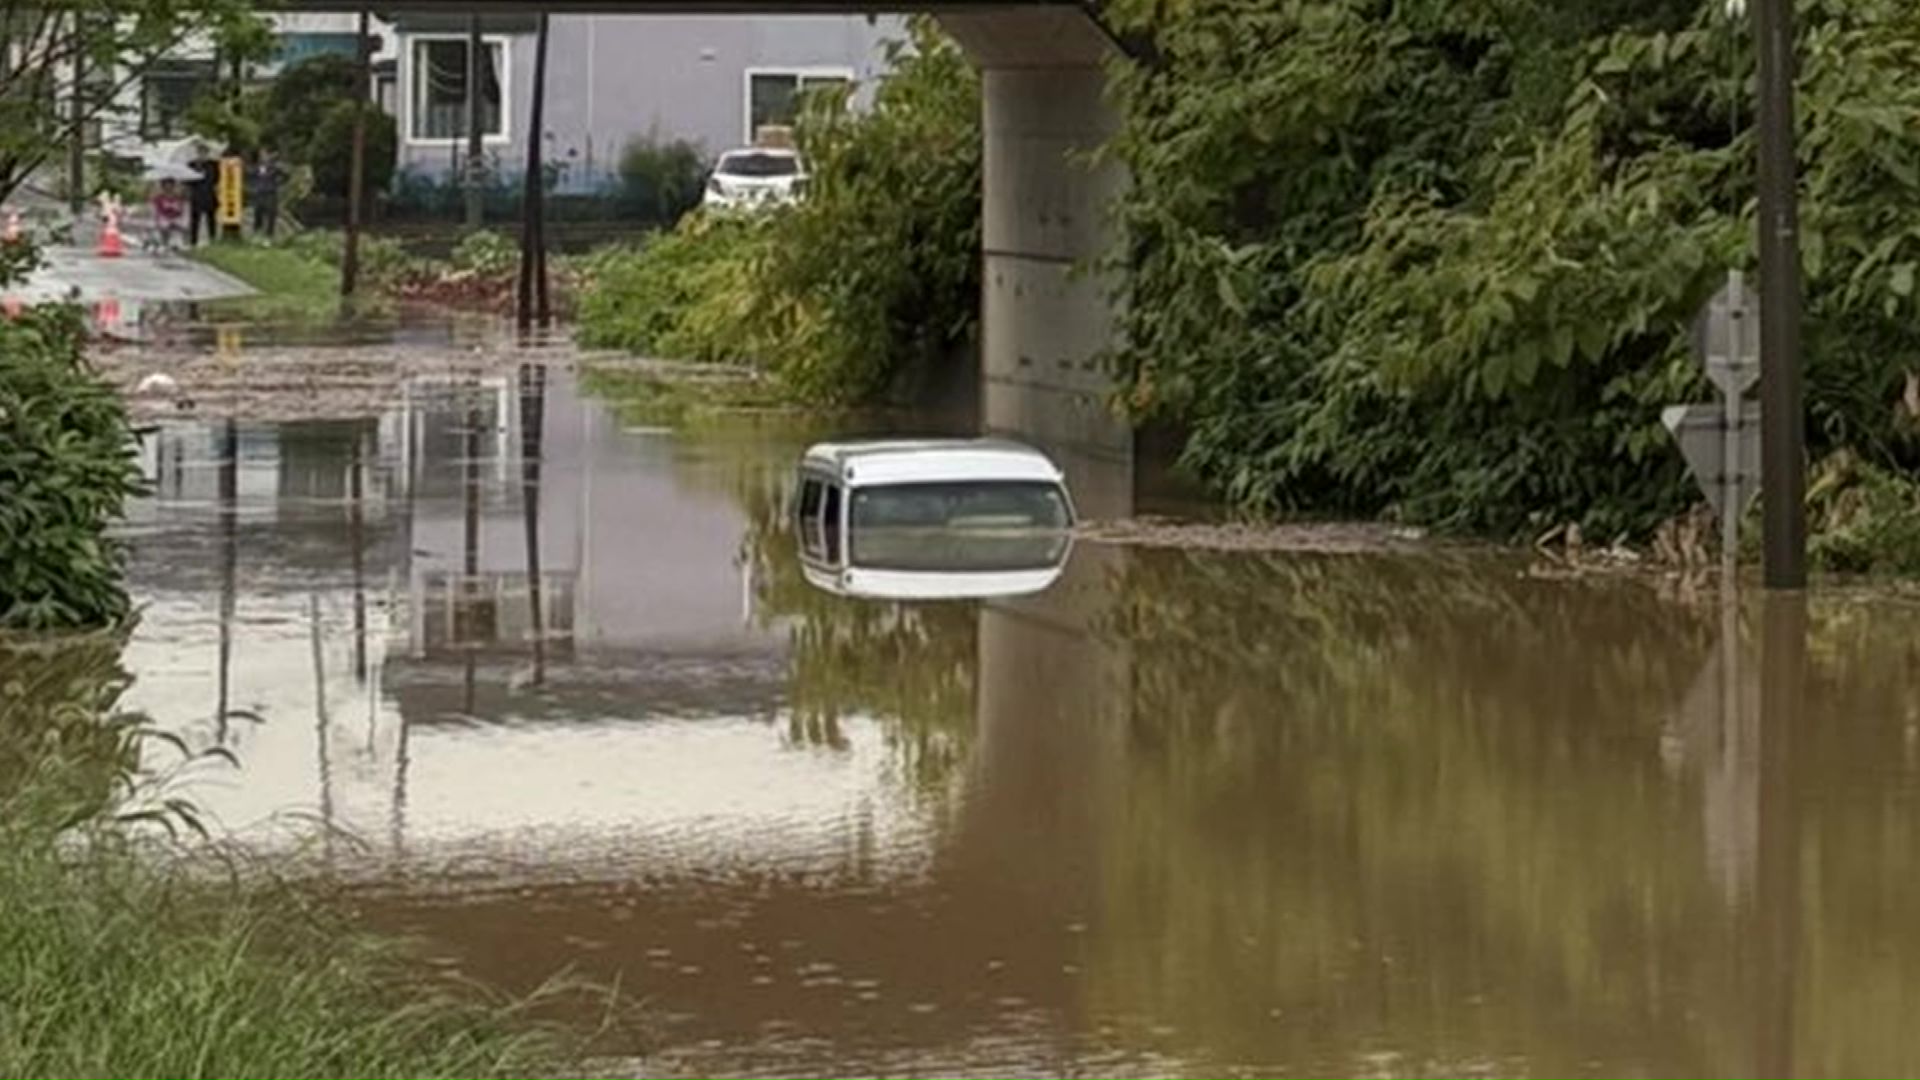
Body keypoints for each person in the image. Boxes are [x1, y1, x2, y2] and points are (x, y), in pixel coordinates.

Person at [247, 150, 286, 239]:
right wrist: (253, 187)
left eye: (265, 155)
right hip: (259, 194)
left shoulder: (274, 168)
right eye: (262, 156)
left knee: (270, 216)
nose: (264, 158)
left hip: (270, 194)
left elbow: (285, 176)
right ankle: (256, 235)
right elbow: (249, 175)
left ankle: (269, 236)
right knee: (258, 215)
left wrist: (278, 183)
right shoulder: (256, 168)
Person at [185, 143, 218, 246]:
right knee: (195, 219)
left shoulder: (213, 164)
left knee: (211, 218)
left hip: (209, 193)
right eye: (200, 152)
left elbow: (217, 178)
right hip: (196, 194)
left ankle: (212, 238)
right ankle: (193, 241)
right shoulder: (192, 164)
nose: (202, 155)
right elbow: (187, 180)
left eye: (204, 153)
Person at [149, 178, 185, 252]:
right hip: (164, 217)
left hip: (175, 217)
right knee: (164, 225)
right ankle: (164, 242)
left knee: (179, 225)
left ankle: (177, 243)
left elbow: (181, 211)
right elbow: (157, 210)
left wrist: (176, 209)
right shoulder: (159, 197)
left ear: (173, 186)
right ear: (163, 186)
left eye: (170, 185)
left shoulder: (177, 197)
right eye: (166, 185)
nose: (168, 187)